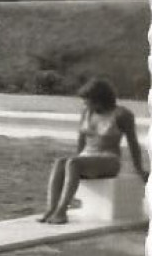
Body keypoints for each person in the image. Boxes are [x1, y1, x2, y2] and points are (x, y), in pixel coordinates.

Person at [39, 77, 148, 224]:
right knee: (61, 162)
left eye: (87, 100)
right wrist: (77, 160)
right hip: (87, 158)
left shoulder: (122, 115)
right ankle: (51, 208)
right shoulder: (87, 112)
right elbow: (81, 139)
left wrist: (139, 169)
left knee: (72, 163)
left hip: (109, 159)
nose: (84, 103)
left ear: (100, 99)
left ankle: (61, 211)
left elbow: (133, 144)